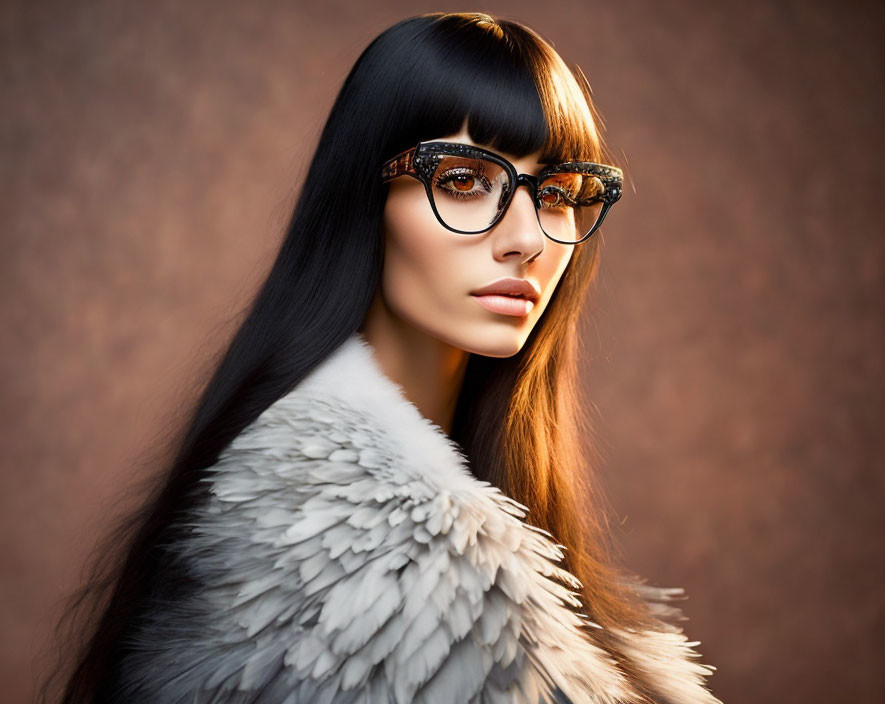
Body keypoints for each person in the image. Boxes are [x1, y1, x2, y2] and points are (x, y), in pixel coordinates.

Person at [40, 12, 721, 704]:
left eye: (556, 192)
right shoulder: (342, 551)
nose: (526, 238)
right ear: (363, 198)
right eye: (462, 180)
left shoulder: (464, 520)